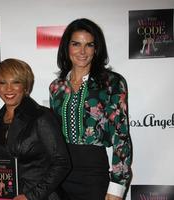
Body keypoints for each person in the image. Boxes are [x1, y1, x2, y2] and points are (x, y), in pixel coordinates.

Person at [49, 18, 132, 200]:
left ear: (96, 49)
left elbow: (121, 135)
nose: (82, 51)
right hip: (59, 175)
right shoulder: (56, 87)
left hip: (94, 174)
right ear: (67, 47)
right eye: (76, 44)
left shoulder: (112, 83)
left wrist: (118, 184)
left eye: (89, 45)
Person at [0, 58, 70, 200]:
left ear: (25, 86)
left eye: (16, 82)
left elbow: (62, 163)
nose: (8, 89)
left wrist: (31, 196)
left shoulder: (41, 117)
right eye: (3, 83)